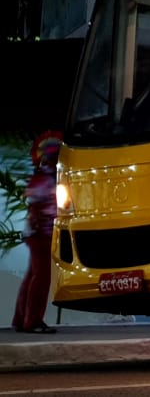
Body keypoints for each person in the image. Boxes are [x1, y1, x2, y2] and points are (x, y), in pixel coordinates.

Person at [11, 130, 61, 334]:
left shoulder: (43, 176)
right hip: (41, 233)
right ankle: (32, 320)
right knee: (41, 277)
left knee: (33, 275)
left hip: (37, 233)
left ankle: (21, 319)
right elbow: (37, 203)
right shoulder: (46, 178)